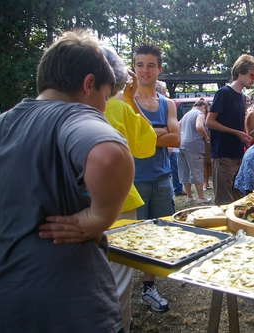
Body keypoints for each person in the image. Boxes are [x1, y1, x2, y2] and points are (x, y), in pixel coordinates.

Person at [0, 30, 134, 333]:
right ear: (89, 84)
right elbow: (109, 155)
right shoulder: (75, 115)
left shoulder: (5, 122)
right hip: (72, 306)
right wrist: (98, 217)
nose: (103, 107)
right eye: (105, 95)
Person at [99, 43, 157, 333]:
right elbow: (147, 144)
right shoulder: (118, 107)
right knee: (118, 281)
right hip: (119, 205)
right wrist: (130, 101)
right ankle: (120, 325)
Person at [133, 43, 180, 311]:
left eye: (151, 65)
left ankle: (148, 289)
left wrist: (149, 135)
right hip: (134, 180)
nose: (145, 70)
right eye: (140, 64)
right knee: (131, 239)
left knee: (157, 236)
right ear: (134, 68)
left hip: (163, 178)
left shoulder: (168, 103)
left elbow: (178, 138)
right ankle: (121, 296)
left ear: (159, 69)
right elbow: (128, 142)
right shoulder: (124, 101)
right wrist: (160, 131)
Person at [206, 54, 254, 205]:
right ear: (240, 73)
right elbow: (209, 121)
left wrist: (247, 145)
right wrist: (236, 133)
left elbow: (239, 126)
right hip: (223, 154)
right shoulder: (223, 93)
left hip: (238, 154)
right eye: (252, 75)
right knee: (223, 202)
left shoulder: (242, 96)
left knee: (238, 201)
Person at [178, 99, 211, 203]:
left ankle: (189, 196)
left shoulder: (187, 114)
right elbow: (199, 126)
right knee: (197, 171)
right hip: (193, 146)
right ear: (203, 107)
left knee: (185, 171)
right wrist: (206, 137)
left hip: (181, 145)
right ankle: (201, 197)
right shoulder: (199, 114)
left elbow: (177, 125)